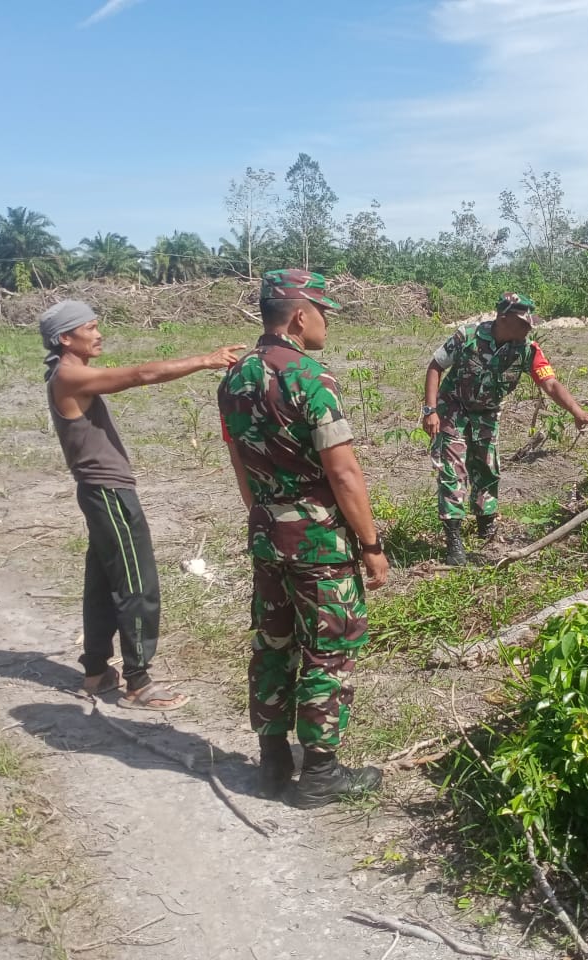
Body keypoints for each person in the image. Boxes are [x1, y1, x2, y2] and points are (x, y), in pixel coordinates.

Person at [218, 269, 389, 808]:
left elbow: (240, 462)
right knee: (328, 650)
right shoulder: (312, 380)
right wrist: (370, 544)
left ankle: (272, 760)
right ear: (298, 315)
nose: (326, 321)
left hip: (269, 534)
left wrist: (267, 517)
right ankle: (319, 770)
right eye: (322, 311)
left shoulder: (234, 379)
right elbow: (343, 474)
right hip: (318, 543)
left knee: (272, 641)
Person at [40, 299, 244, 709]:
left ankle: (96, 671)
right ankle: (138, 681)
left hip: (99, 492)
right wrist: (204, 360)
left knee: (101, 584)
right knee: (137, 583)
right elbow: (140, 374)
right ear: (66, 338)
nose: (98, 334)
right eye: (90, 328)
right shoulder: (70, 375)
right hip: (109, 494)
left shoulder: (66, 374)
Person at [422, 292, 588, 565]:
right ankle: (454, 540)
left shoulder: (528, 350)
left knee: (487, 468)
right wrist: (430, 410)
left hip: (487, 414)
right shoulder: (467, 336)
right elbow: (436, 366)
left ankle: (486, 524)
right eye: (524, 322)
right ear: (503, 317)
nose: (529, 328)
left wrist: (577, 412)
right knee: (453, 472)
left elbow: (551, 384)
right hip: (453, 410)